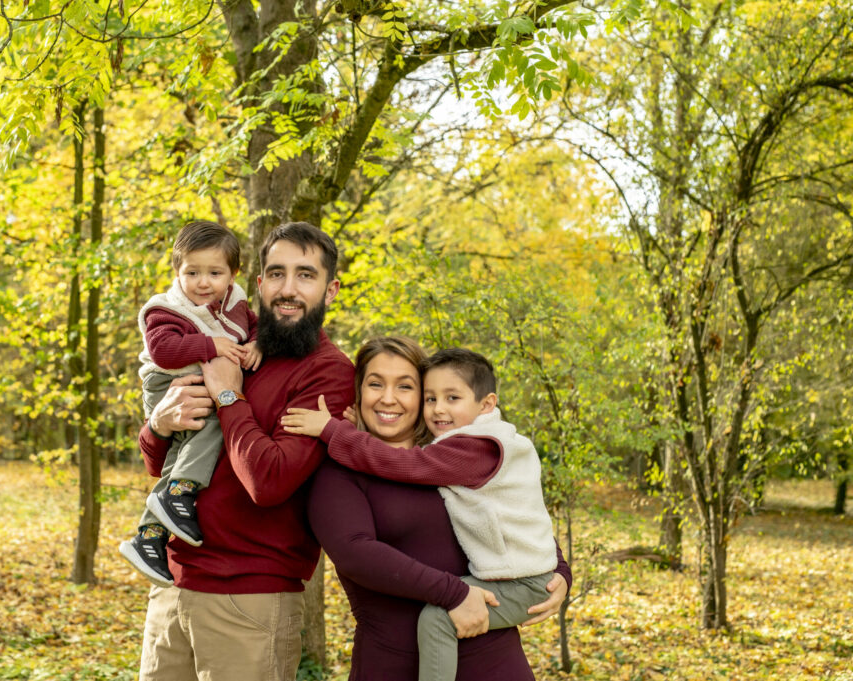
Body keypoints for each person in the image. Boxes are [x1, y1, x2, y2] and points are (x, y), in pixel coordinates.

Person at [136, 222, 356, 681]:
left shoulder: (328, 372)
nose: (287, 289)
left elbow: (269, 482)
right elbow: (162, 466)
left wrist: (229, 399)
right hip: (174, 588)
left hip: (249, 601)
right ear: (256, 284)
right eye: (276, 274)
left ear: (330, 289)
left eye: (305, 275)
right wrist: (159, 425)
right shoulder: (234, 350)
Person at [288, 337, 570, 680]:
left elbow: (513, 512)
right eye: (375, 384)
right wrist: (454, 594)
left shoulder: (451, 455)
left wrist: (558, 571)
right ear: (359, 393)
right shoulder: (339, 471)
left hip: (494, 658)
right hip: (395, 662)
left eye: (405, 386)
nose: (388, 398)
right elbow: (356, 553)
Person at [119, 221, 262, 586]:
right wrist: (212, 346)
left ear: (233, 275)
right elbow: (163, 350)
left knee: (182, 454)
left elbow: (257, 328)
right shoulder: (166, 309)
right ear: (177, 272)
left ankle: (149, 539)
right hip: (167, 381)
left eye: (214, 273)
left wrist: (258, 344)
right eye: (192, 272)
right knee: (215, 421)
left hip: (199, 381)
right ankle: (180, 493)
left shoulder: (236, 305)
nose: (202, 283)